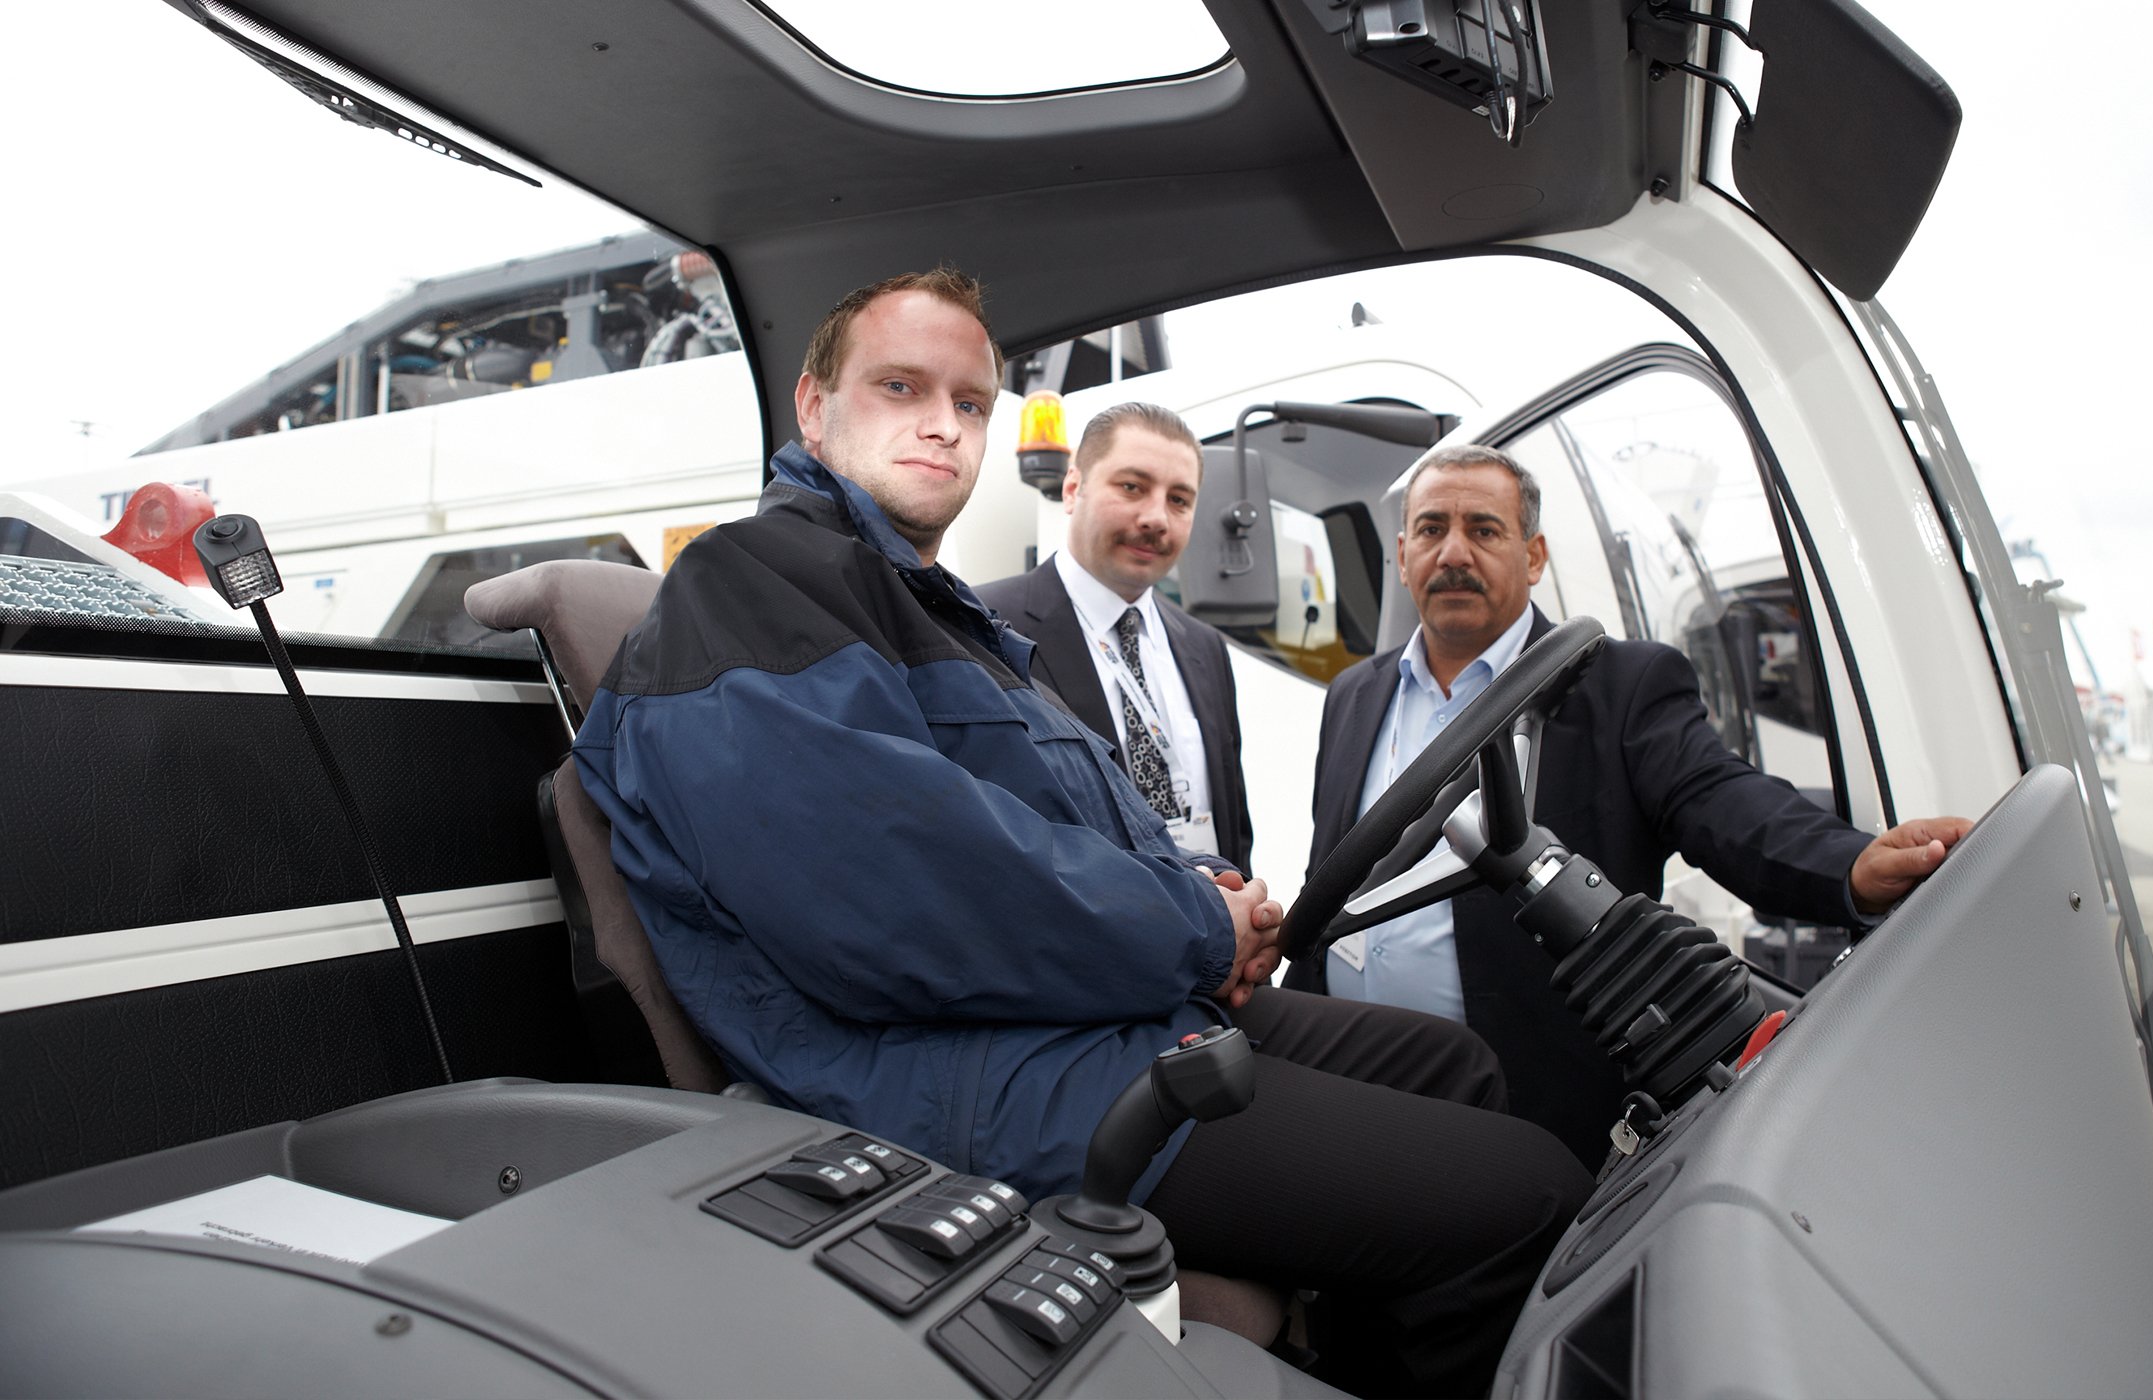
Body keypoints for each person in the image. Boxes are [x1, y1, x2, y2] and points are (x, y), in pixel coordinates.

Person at [575, 270, 1591, 1399]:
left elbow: (1068, 823)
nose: (943, 424)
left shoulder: (937, 614)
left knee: (1455, 1064)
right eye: (900, 387)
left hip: (1071, 1019)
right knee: (1534, 1193)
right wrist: (1198, 929)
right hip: (962, 1080)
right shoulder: (752, 585)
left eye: (970, 402)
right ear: (813, 408)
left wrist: (1213, 892)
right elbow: (909, 896)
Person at [1292, 443, 1973, 1161]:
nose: (1454, 552)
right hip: (1358, 1088)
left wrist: (1852, 865)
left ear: (1534, 556)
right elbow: (1334, 868)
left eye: (1484, 530)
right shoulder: (1355, 695)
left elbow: (1720, 800)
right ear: (1403, 556)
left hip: (1520, 1107)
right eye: (1432, 529)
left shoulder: (1621, 685)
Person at [976, 403, 1251, 870]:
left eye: (1179, 500)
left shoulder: (1205, 647)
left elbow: (1233, 823)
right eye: (1132, 487)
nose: (1157, 518)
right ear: (1073, 488)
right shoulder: (988, 627)